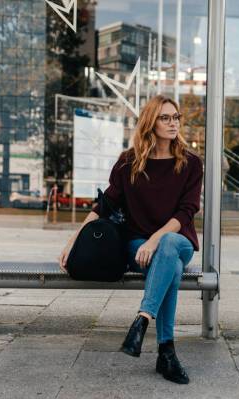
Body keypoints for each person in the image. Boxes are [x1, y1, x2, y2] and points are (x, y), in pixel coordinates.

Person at [58, 95, 204, 384]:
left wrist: (155, 239)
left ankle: (143, 318)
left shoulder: (190, 163)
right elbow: (104, 206)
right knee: (170, 269)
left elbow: (187, 212)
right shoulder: (128, 163)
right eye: (166, 117)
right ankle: (166, 353)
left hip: (178, 241)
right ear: (150, 122)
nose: (173, 123)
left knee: (169, 247)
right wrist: (73, 240)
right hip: (138, 246)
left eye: (176, 117)